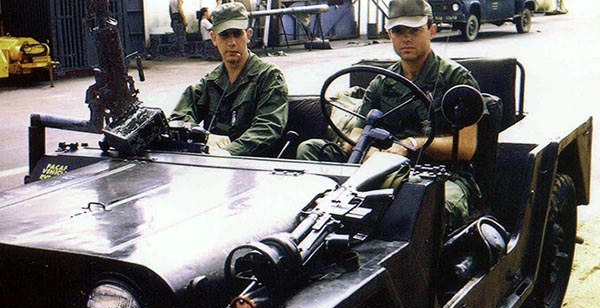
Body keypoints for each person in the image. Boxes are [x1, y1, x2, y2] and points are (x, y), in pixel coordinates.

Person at [296, 0, 482, 230]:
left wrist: (411, 144)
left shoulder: (457, 80)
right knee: (310, 149)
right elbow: (355, 135)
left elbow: (465, 148)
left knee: (433, 207)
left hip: (439, 175)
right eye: (399, 31)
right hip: (379, 168)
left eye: (414, 30)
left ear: (432, 30)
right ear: (389, 35)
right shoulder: (382, 82)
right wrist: (367, 149)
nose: (406, 38)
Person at [169, 2, 289, 157]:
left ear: (248, 35)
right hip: (216, 164)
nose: (232, 43)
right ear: (213, 38)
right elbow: (178, 118)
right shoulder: (210, 82)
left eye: (237, 34)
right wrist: (204, 137)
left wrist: (228, 152)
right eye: (224, 35)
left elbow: (268, 127)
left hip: (256, 166)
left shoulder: (269, 77)